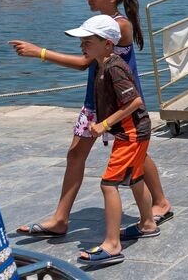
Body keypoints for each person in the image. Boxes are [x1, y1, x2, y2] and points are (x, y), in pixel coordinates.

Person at [10, 0, 172, 236]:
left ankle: (160, 202)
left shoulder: (119, 26)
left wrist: (39, 52)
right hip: (94, 101)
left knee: (136, 155)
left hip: (120, 105)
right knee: (77, 154)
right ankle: (61, 218)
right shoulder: (100, 23)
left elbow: (85, 62)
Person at [65, 15, 157, 266]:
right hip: (133, 131)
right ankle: (148, 223)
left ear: (107, 43)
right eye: (81, 41)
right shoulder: (104, 64)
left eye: (87, 40)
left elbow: (135, 101)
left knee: (109, 185)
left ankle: (112, 244)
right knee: (135, 177)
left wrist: (104, 124)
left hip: (131, 133)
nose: (82, 45)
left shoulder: (114, 67)